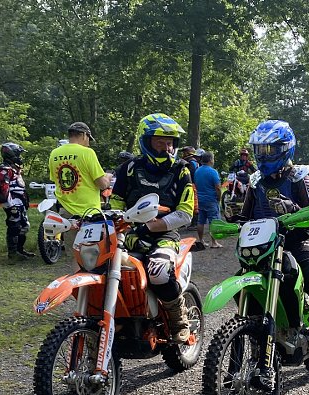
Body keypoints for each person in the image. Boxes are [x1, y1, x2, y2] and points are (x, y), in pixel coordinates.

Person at [239, 119, 309, 350]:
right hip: (265, 243)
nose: (263, 155)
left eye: (270, 149)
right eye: (260, 150)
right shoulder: (255, 181)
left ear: (285, 149)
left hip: (301, 238)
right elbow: (245, 216)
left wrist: (292, 208)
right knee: (244, 278)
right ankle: (255, 330)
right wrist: (234, 220)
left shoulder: (299, 177)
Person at [109, 113, 195, 342]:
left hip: (165, 234)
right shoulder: (128, 168)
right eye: (160, 142)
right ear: (146, 141)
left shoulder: (181, 170)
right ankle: (115, 318)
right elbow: (116, 200)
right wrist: (118, 221)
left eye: (170, 142)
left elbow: (185, 213)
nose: (166, 147)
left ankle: (179, 319)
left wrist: (151, 227)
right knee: (106, 267)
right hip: (129, 233)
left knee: (158, 271)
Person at [48, 122, 112, 260]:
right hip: (90, 214)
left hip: (66, 213)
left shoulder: (54, 153)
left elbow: (56, 180)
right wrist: (108, 176)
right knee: (94, 256)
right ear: (84, 135)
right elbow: (102, 184)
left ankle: (79, 280)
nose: (88, 143)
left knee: (76, 256)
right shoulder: (87, 153)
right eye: (89, 139)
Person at [0, 142, 34, 261]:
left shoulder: (14, 168)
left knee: (24, 226)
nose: (19, 157)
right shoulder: (4, 169)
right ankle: (12, 253)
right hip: (11, 202)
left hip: (19, 201)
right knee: (14, 225)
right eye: (18, 154)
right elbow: (4, 187)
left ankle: (19, 250)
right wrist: (9, 204)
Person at [194, 150, 223, 249]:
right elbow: (218, 187)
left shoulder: (197, 171)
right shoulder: (213, 172)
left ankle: (201, 240)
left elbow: (196, 185)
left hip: (200, 199)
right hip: (211, 199)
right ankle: (214, 242)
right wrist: (219, 198)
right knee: (213, 221)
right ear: (211, 160)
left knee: (200, 221)